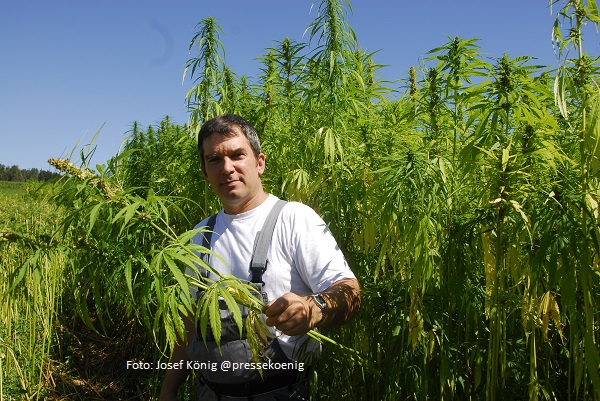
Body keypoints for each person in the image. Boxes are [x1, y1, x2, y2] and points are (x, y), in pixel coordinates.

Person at [158, 114, 361, 401]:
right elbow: (189, 324)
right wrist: (168, 389)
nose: (227, 168)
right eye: (214, 160)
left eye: (237, 155)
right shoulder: (198, 235)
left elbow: (350, 290)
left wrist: (314, 308)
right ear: (204, 172)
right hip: (208, 394)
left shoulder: (294, 219)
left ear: (260, 163)